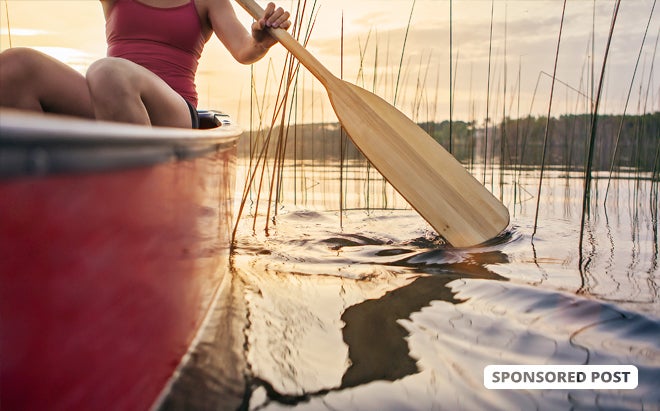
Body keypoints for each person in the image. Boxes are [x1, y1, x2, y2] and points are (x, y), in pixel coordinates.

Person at [0, 0, 291, 128]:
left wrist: (260, 40)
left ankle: (131, 202)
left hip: (171, 109)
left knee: (107, 72)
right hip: (110, 99)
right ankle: (41, 191)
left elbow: (244, 50)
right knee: (14, 66)